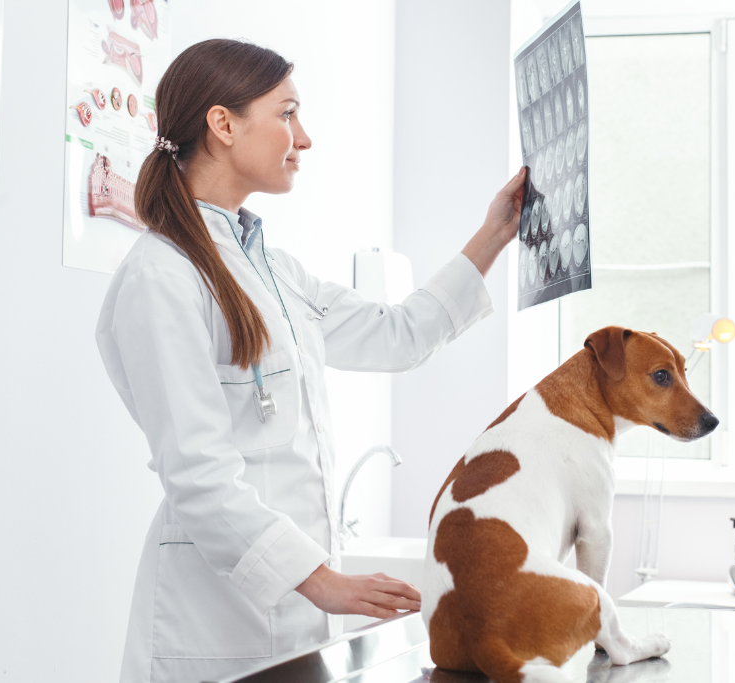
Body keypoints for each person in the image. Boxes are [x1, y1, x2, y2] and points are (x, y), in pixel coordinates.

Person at [96, 39, 525, 683]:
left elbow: (398, 334)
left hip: (288, 618)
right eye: (288, 113)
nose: (305, 137)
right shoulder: (161, 277)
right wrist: (319, 581)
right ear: (222, 124)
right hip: (215, 624)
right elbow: (197, 472)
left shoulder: (270, 268)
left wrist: (496, 231)